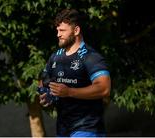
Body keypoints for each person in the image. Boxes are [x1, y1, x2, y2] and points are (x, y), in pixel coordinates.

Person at [39, 9, 111, 137]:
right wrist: (47, 94)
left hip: (88, 128)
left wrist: (69, 92)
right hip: (63, 129)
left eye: (62, 31)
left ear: (76, 30)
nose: (58, 34)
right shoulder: (55, 57)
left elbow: (104, 88)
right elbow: (43, 79)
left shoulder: (91, 57)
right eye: (57, 30)